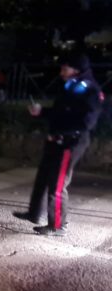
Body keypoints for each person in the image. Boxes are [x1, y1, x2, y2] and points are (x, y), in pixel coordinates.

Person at [13, 52, 104, 236]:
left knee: (57, 183)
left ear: (76, 70)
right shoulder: (71, 85)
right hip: (56, 138)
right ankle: (34, 213)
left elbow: (86, 122)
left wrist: (62, 133)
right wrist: (41, 112)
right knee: (43, 177)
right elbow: (58, 111)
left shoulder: (91, 90)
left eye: (65, 68)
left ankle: (57, 225)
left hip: (70, 142)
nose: (61, 72)